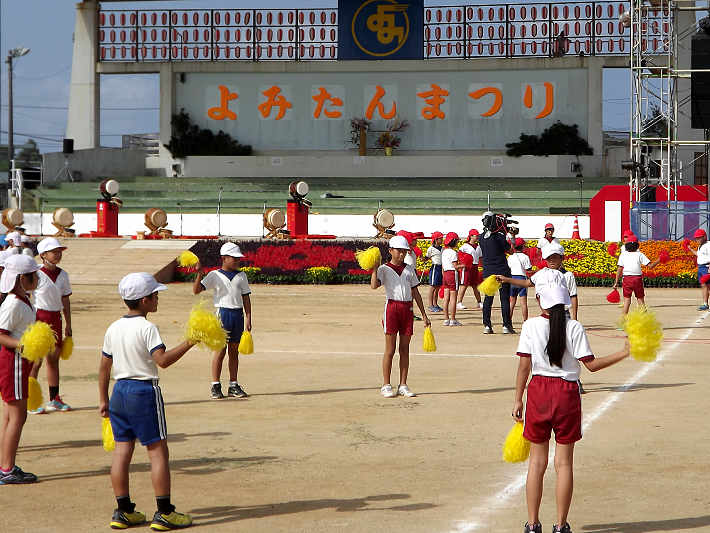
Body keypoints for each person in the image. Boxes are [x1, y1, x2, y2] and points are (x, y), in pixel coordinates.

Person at [512, 279, 630, 533]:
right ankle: (560, 525)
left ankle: (532, 525)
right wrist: (623, 353)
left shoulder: (530, 325)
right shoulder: (574, 326)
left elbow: (524, 366)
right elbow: (591, 365)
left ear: (539, 301)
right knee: (563, 464)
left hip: (538, 392)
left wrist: (517, 398)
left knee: (536, 463)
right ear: (565, 303)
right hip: (567, 394)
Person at [99, 273, 195, 530]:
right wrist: (190, 342)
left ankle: (123, 511)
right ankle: (164, 512)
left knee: (121, 453)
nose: (158, 298)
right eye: (155, 295)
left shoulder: (113, 327)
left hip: (119, 392)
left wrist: (103, 400)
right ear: (144, 300)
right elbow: (162, 360)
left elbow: (104, 368)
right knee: (158, 452)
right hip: (143, 392)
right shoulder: (147, 327)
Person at [371, 235, 430, 398]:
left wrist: (424, 315)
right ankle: (386, 384)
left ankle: (403, 384)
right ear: (390, 251)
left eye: (404, 251)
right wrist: (375, 268)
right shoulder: (384, 269)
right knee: (390, 350)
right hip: (391, 308)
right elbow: (374, 285)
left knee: (405, 349)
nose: (402, 254)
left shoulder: (409, 269)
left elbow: (416, 292)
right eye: (399, 251)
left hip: (407, 309)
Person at [193, 242, 252, 400]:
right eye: (234, 258)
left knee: (234, 351)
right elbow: (197, 290)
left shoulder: (242, 276)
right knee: (220, 351)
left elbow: (246, 298)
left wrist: (248, 317)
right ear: (224, 258)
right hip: (222, 315)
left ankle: (233, 384)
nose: (237, 261)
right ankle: (215, 385)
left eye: (238, 258)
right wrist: (199, 274)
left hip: (237, 315)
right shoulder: (214, 275)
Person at [0, 255, 40, 484]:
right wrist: (24, 345)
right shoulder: (14, 302)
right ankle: (7, 469)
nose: (38, 277)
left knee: (9, 416)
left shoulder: (22, 298)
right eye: (35, 274)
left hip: (17, 361)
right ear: (23, 278)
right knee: (17, 416)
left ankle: (5, 465)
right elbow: (1, 334)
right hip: (13, 361)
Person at [28, 238, 73, 414]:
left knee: (53, 360)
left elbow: (65, 300)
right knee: (35, 361)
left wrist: (68, 323)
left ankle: (54, 399)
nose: (58, 254)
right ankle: (30, 401)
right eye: (54, 251)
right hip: (39, 318)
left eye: (59, 251)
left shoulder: (63, 275)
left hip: (56, 318)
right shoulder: (35, 274)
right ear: (43, 255)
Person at [480, 212, 516, 334]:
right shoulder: (500, 236)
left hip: (488, 271)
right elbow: (510, 251)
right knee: (504, 299)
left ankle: (487, 325)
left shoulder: (481, 237)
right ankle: (506, 325)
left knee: (488, 298)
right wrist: (512, 237)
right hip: (501, 270)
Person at [612, 236, 660, 318]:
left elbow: (619, 270)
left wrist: (616, 282)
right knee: (640, 300)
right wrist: (659, 259)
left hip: (626, 279)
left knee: (627, 301)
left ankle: (622, 322)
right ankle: (645, 321)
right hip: (637, 279)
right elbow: (651, 266)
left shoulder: (623, 255)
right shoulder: (640, 255)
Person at [441, 232, 464, 326]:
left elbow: (443, 266)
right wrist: (465, 265)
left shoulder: (444, 251)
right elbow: (455, 266)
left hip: (445, 273)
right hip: (452, 274)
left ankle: (446, 319)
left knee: (446, 298)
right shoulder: (453, 253)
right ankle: (453, 319)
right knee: (453, 298)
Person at [457, 229, 483, 310]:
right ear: (471, 236)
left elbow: (480, 258)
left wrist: (483, 267)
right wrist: (463, 262)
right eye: (476, 236)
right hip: (467, 267)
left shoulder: (478, 247)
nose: (477, 237)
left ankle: (479, 302)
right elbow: (459, 253)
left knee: (475, 285)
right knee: (464, 285)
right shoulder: (465, 246)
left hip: (475, 267)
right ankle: (459, 302)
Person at [508, 238, 532, 322]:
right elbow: (528, 270)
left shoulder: (510, 257)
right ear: (523, 247)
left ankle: (508, 321)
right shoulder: (525, 257)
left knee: (512, 303)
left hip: (512, 279)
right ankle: (525, 321)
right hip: (522, 279)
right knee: (523, 303)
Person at [690, 229, 710, 311]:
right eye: (696, 238)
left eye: (699, 238)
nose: (697, 239)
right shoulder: (700, 246)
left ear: (704, 237)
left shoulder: (708, 245)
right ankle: (705, 303)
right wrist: (690, 249)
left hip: (706, 267)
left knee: (709, 287)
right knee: (704, 286)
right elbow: (698, 254)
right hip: (701, 267)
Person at [426, 231, 444, 312]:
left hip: (441, 267)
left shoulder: (442, 248)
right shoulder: (431, 248)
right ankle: (430, 305)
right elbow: (427, 257)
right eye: (440, 238)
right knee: (433, 287)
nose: (442, 239)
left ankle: (435, 304)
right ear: (436, 239)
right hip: (435, 267)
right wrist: (423, 258)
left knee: (437, 288)